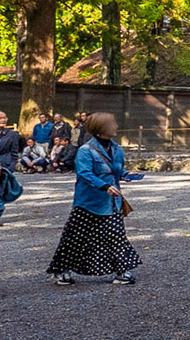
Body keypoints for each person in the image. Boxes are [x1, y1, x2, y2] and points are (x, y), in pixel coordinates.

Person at [48, 112, 139, 285]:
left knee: (116, 235)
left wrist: (126, 174)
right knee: (74, 238)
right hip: (88, 202)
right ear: (101, 128)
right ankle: (60, 270)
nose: (116, 127)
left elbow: (116, 170)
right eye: (112, 123)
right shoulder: (85, 150)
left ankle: (122, 271)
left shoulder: (117, 148)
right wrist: (104, 186)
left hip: (111, 202)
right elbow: (84, 173)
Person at [0, 110, 19, 227]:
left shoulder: (12, 135)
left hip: (3, 167)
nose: (4, 120)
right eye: (0, 118)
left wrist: (10, 168)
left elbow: (14, 153)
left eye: (5, 117)